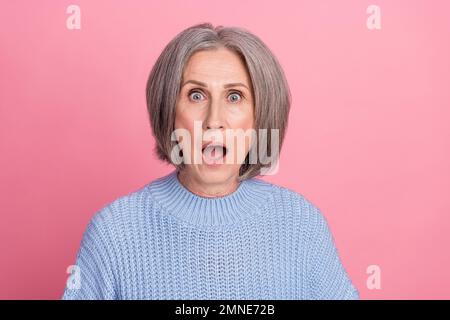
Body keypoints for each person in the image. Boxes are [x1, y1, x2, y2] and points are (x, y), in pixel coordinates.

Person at [62, 22, 359, 300]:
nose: (214, 120)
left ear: (258, 117)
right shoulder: (114, 233)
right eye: (196, 95)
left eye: (234, 97)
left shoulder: (301, 225)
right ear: (169, 112)